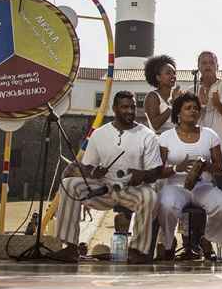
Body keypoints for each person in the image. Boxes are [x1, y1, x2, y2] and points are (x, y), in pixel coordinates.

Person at [52, 91, 161, 264]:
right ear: (114, 109)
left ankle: (137, 250)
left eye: (133, 107)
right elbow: (88, 166)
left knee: (149, 196)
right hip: (103, 188)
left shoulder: (147, 135)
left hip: (131, 189)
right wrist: (93, 172)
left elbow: (155, 172)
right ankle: (70, 247)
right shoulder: (99, 134)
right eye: (125, 107)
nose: (130, 111)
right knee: (69, 184)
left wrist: (143, 174)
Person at [158, 92, 222, 260]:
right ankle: (168, 244)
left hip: (203, 185)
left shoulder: (210, 135)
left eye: (196, 108)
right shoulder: (166, 137)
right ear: (178, 113)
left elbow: (220, 167)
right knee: (167, 205)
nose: (193, 111)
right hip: (175, 186)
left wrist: (206, 166)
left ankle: (208, 239)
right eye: (188, 108)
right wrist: (177, 167)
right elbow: (158, 171)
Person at [196, 51, 222, 156]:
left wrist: (218, 105)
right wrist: (201, 106)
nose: (208, 66)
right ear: (198, 66)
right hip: (199, 145)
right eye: (204, 63)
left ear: (217, 66)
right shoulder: (192, 90)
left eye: (211, 63)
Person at [144, 54, 182, 135]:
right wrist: (172, 104)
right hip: (160, 142)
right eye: (168, 73)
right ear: (158, 78)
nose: (173, 76)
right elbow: (155, 125)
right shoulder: (153, 96)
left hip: (178, 140)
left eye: (174, 73)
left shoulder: (177, 94)